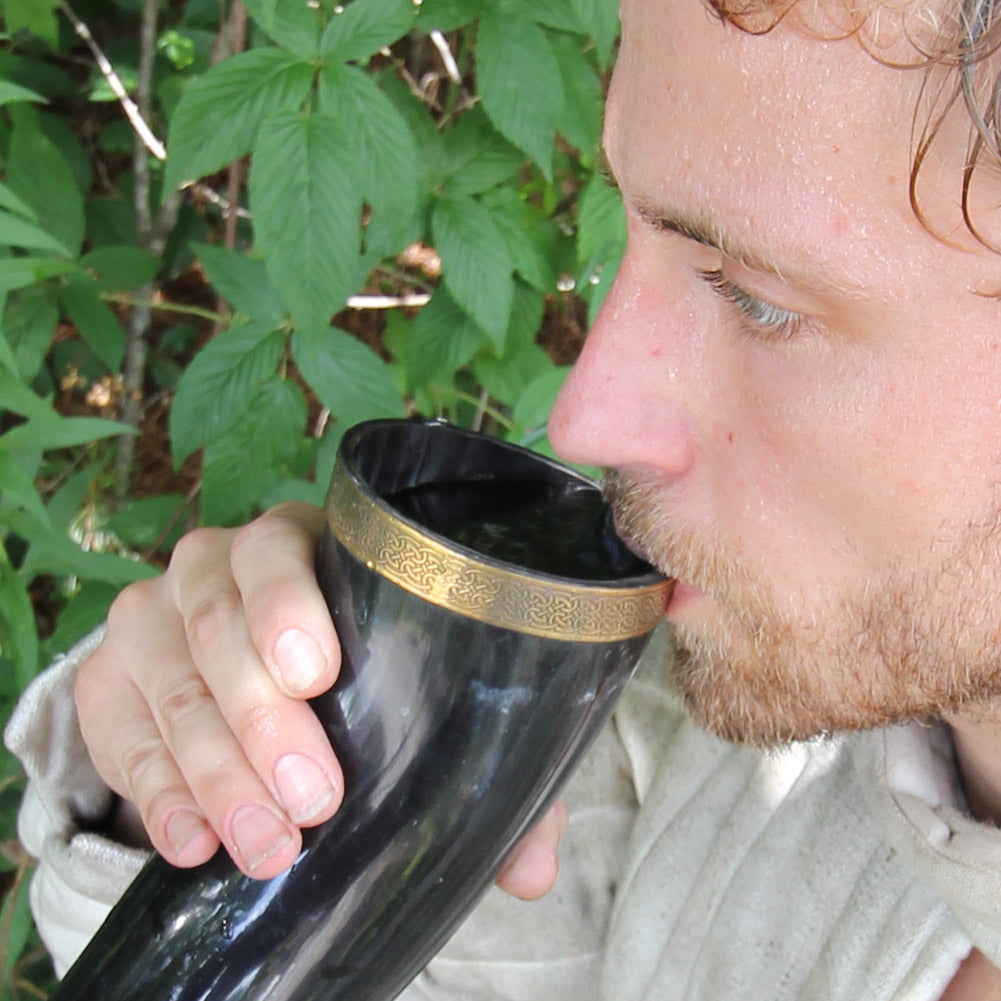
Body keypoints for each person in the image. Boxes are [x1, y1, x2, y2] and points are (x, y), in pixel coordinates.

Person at [10, 0, 1001, 994]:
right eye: (621, 223)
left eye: (758, 300)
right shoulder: (686, 730)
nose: (583, 415)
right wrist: (212, 791)